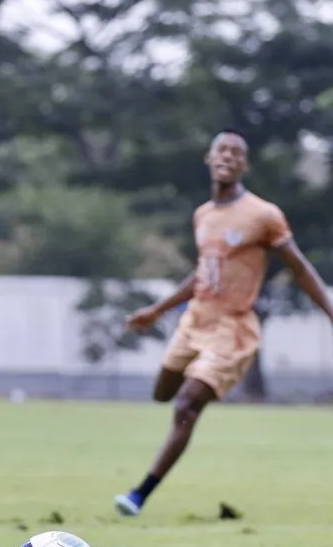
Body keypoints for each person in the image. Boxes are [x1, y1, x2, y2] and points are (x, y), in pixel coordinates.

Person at [115, 128, 333, 516]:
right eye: (222, 150)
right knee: (163, 392)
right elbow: (202, 274)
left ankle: (139, 493)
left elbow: (299, 268)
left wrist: (330, 309)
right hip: (195, 320)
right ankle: (202, 378)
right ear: (209, 158)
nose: (228, 157)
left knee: (185, 405)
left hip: (232, 329)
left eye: (236, 152)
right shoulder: (203, 215)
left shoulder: (263, 215)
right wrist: (156, 310)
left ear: (244, 164)